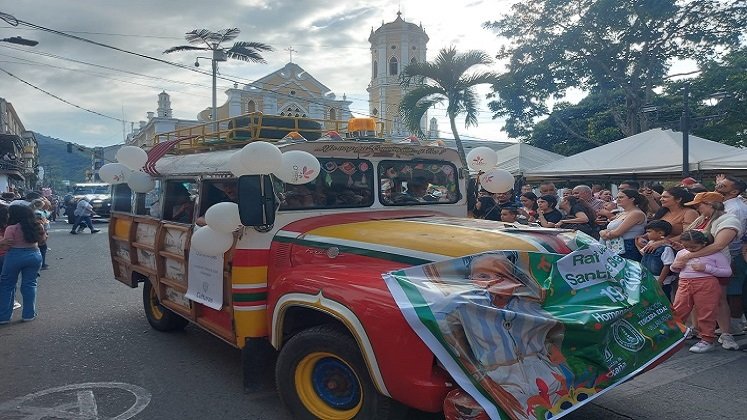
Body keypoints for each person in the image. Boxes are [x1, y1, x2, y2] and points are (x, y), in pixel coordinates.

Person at [434, 252, 565, 420]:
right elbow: (450, 339)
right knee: (512, 411)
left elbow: (550, 326)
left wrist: (552, 348)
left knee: (549, 408)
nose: (493, 281)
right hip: (497, 375)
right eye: (483, 276)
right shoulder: (464, 309)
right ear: (471, 281)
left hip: (539, 369)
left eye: (502, 276)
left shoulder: (526, 305)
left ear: (514, 282)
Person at [673, 192, 742, 350]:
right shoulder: (702, 219)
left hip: (714, 267)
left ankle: (725, 333)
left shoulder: (729, 220)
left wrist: (688, 255)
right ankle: (698, 331)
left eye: (699, 205)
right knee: (695, 304)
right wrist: (682, 249)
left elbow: (718, 245)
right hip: (694, 272)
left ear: (710, 205)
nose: (697, 208)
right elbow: (688, 239)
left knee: (718, 301)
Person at [670, 230, 733, 353]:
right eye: (686, 246)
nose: (690, 249)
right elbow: (674, 268)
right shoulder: (682, 253)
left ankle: (707, 339)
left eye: (694, 247)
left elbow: (727, 272)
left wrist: (706, 268)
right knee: (678, 309)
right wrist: (676, 266)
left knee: (706, 311)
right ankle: (674, 336)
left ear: (704, 243)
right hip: (684, 283)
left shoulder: (715, 254)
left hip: (707, 284)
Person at [0, 205, 45, 324]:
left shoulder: (11, 228)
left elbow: (7, 245)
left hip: (14, 255)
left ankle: (4, 317)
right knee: (30, 284)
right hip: (34, 255)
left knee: (7, 285)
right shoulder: (37, 225)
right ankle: (29, 315)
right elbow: (42, 241)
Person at [714, 175, 747, 334]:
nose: (718, 187)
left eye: (723, 186)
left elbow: (734, 234)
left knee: (734, 290)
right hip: (726, 252)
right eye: (719, 184)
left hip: (733, 253)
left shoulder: (736, 208)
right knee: (728, 290)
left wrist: (731, 258)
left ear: (734, 191)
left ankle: (734, 326)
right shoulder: (729, 204)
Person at [599, 189, 648, 261]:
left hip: (628, 247)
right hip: (614, 245)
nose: (618, 200)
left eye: (621, 197)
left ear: (632, 199)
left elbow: (617, 232)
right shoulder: (622, 213)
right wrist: (604, 232)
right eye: (617, 198)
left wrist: (604, 234)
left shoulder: (636, 213)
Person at [638, 220, 676, 301]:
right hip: (649, 279)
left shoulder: (666, 248)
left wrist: (660, 281)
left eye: (649, 232)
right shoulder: (651, 244)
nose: (647, 234)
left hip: (661, 281)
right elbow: (644, 255)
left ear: (660, 233)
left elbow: (667, 265)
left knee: (664, 300)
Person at [29, 199, 50, 270]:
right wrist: (45, 222)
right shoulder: (38, 213)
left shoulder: (30, 210)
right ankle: (42, 264)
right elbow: (39, 222)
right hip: (39, 232)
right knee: (43, 248)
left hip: (33, 232)